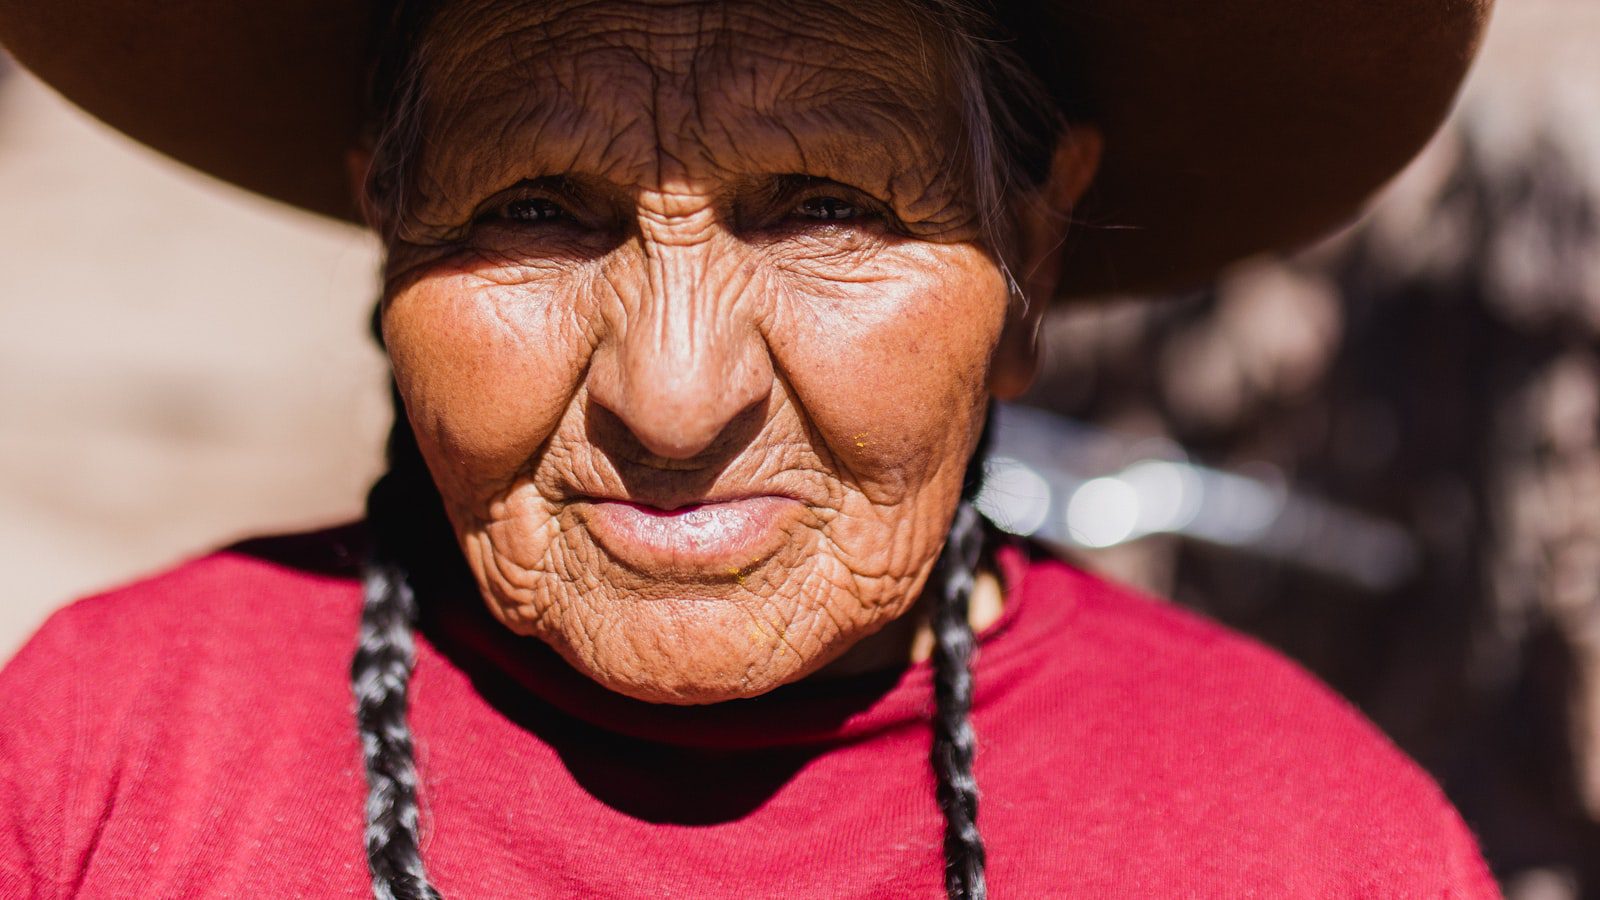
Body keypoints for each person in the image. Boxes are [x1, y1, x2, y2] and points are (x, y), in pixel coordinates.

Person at [0, 1, 1498, 897]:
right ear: (395, 239)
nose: (671, 398)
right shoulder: (97, 762)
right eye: (536, 207)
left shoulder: (1304, 844)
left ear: (1028, 259)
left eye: (825, 208)